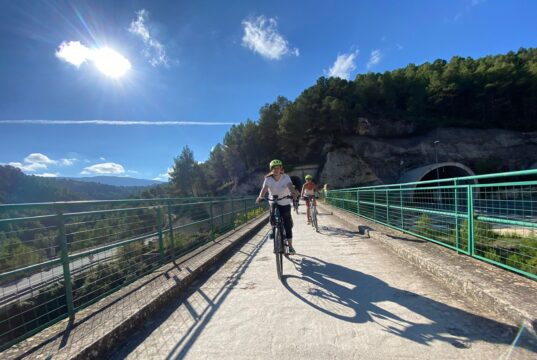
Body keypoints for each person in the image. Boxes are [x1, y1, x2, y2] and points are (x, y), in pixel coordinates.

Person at [256, 159, 299, 255]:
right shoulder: (268, 179)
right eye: (274, 168)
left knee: (287, 224)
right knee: (272, 218)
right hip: (273, 201)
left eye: (278, 168)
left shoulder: (285, 177)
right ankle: (274, 232)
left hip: (284, 201)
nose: (276, 170)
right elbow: (264, 189)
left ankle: (290, 246)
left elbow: (290, 186)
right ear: (271, 170)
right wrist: (260, 197)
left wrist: (293, 194)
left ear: (281, 169)